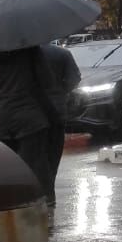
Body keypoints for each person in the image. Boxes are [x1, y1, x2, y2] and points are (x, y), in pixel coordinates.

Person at [0, 45, 61, 201]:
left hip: (2, 119)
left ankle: (13, 205)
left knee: (8, 169)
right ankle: (45, 205)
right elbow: (47, 80)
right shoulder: (30, 50)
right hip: (30, 118)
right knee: (37, 166)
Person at [41, 42, 81, 203]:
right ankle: (49, 192)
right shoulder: (62, 54)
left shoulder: (26, 55)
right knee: (53, 152)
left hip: (34, 110)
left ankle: (41, 192)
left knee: (37, 154)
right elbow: (74, 78)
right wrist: (61, 91)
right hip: (57, 109)